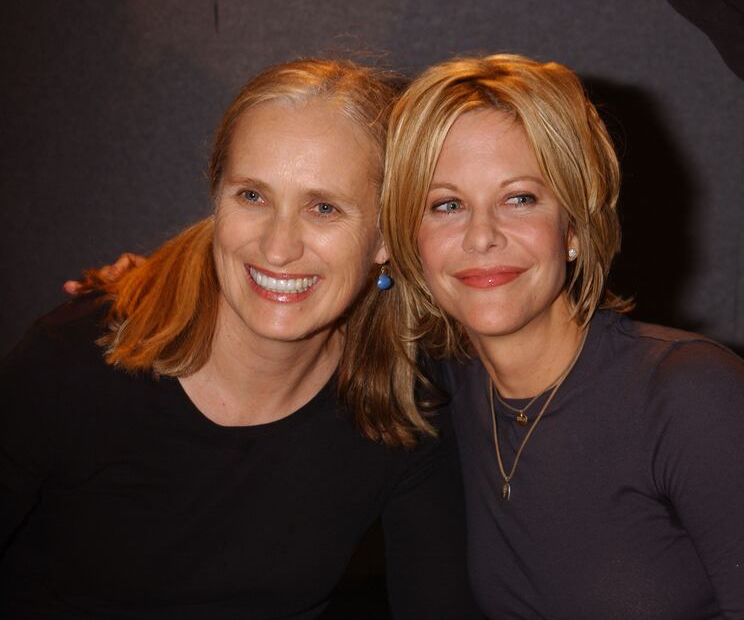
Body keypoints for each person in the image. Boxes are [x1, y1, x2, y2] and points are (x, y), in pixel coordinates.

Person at [0, 59, 479, 619]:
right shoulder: (78, 357)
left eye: (323, 208)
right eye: (252, 196)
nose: (277, 248)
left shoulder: (402, 405)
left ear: (385, 237)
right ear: (216, 199)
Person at [381, 54, 744, 618]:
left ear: (574, 225)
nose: (481, 236)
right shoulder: (448, 386)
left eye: (519, 198)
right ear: (412, 239)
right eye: (446, 205)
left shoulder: (692, 396)